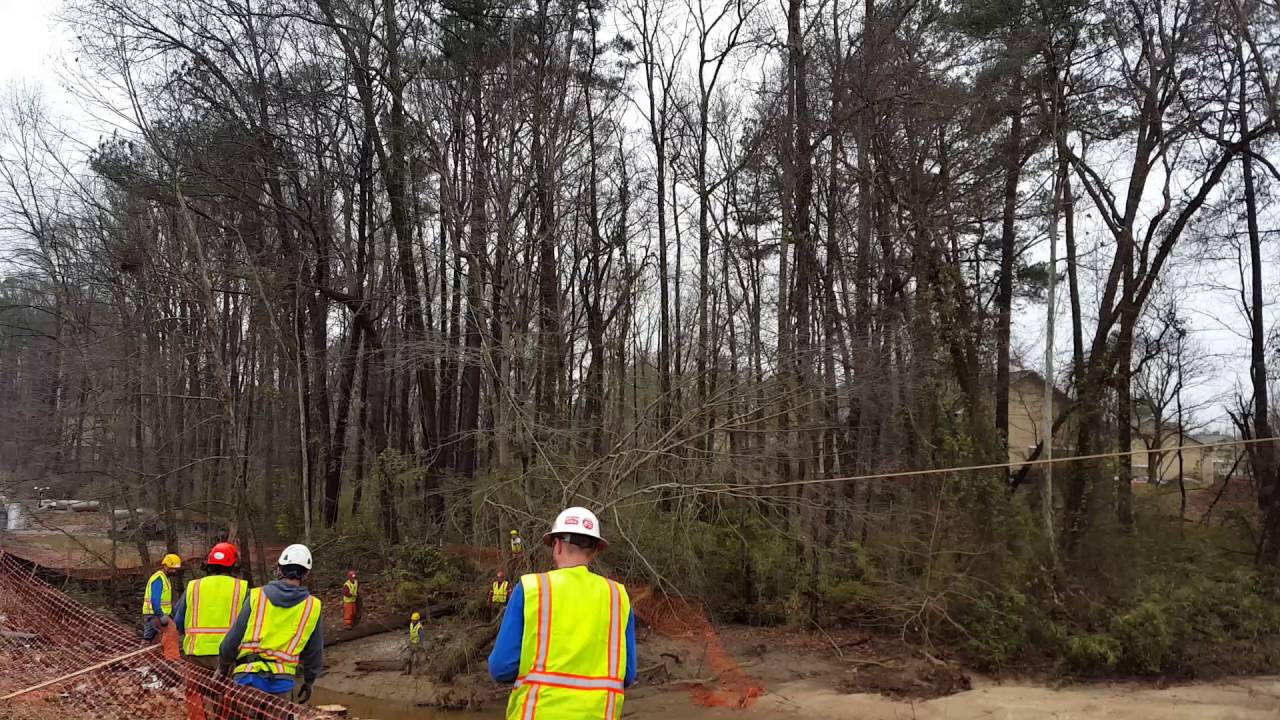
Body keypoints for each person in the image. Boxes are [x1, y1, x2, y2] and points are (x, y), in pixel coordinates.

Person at [489, 507, 636, 720]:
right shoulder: (618, 596)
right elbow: (627, 675)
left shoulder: (532, 588)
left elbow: (501, 667)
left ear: (557, 545)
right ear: (594, 551)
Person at [218, 544, 324, 703]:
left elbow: (231, 641)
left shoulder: (257, 596)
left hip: (247, 678)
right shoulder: (313, 606)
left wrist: (223, 668)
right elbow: (314, 653)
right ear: (306, 573)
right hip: (282, 685)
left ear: (279, 569)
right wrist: (309, 681)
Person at [174, 542, 248, 670]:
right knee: (227, 690)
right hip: (229, 656)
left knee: (197, 690)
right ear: (235, 564)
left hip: (196, 654)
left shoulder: (193, 587)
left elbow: (178, 622)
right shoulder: (242, 588)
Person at [142, 553, 183, 643]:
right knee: (169, 634)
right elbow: (155, 599)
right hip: (154, 615)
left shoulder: (164, 578)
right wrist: (161, 615)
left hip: (157, 615)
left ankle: (146, 654)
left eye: (175, 569)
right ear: (165, 566)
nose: (174, 571)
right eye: (172, 569)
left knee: (151, 640)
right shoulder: (159, 579)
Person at [405, 611, 426, 676]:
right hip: (411, 643)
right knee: (408, 658)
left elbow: (422, 636)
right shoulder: (411, 624)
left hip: (417, 645)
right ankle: (407, 671)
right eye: (412, 620)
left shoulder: (419, 627)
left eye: (414, 620)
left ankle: (418, 673)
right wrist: (407, 632)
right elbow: (411, 631)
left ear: (417, 620)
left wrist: (421, 645)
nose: (413, 621)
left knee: (418, 660)